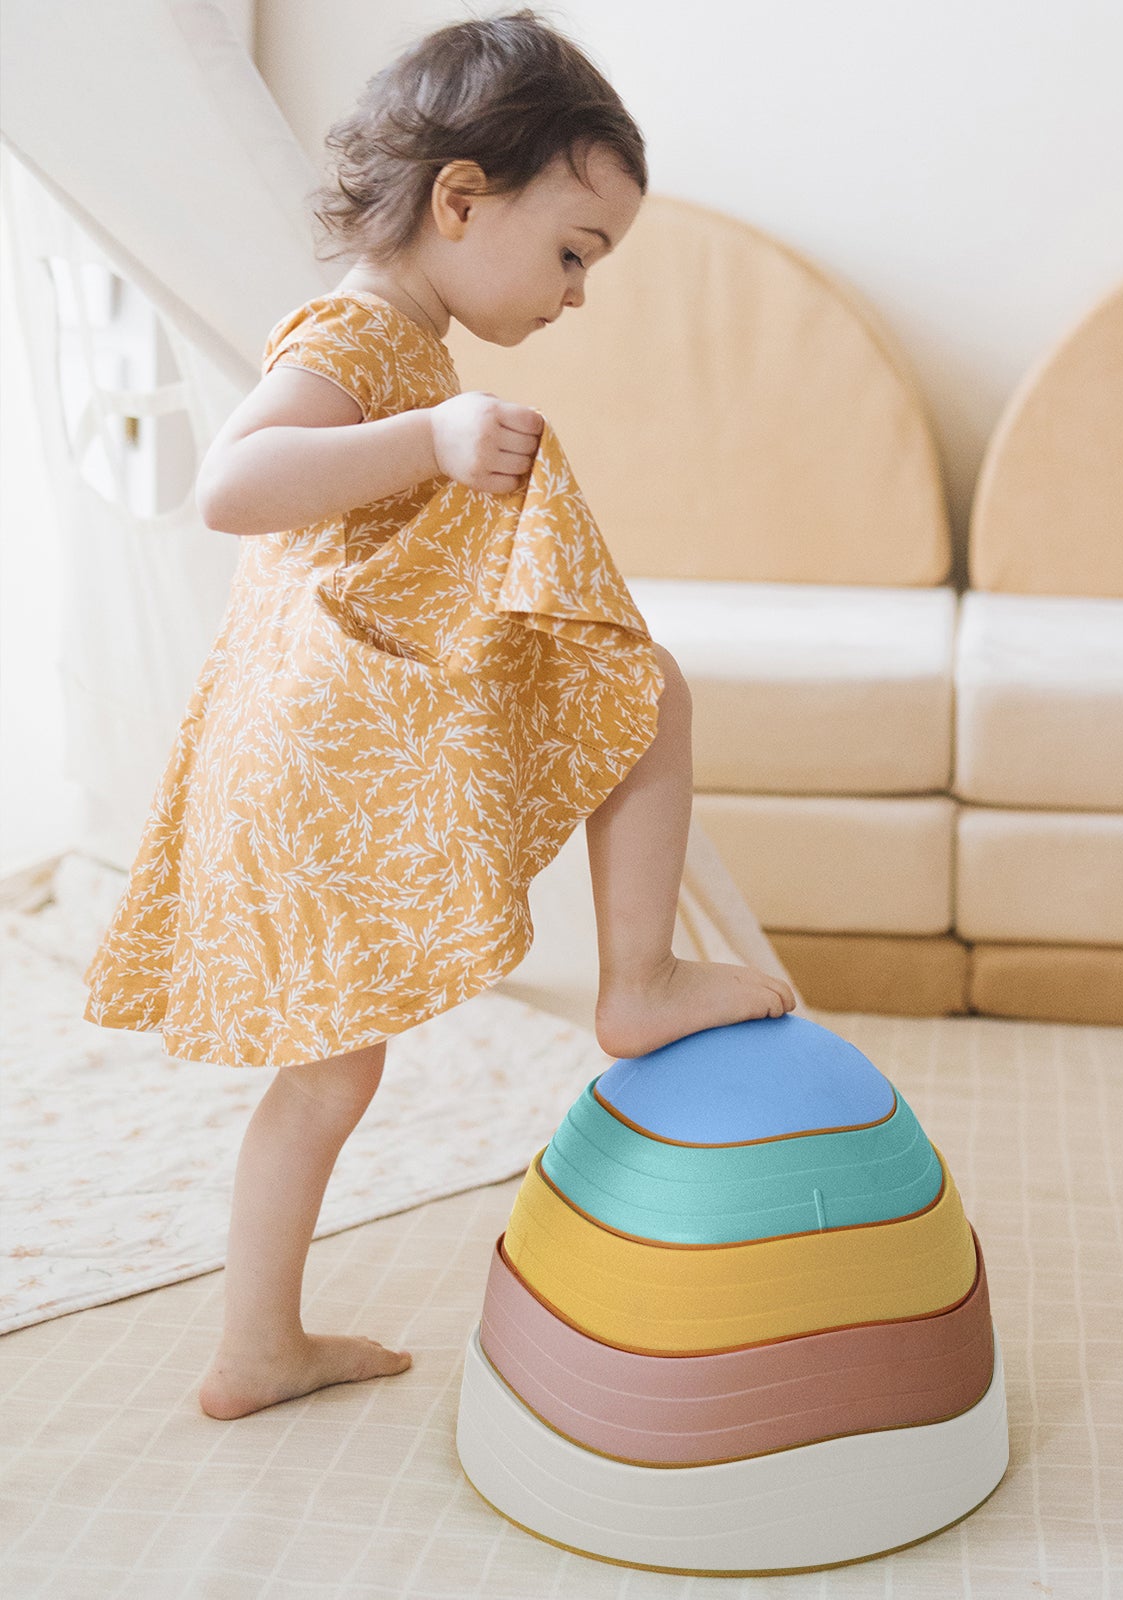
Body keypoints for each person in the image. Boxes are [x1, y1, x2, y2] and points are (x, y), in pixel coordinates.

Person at [76, 8, 796, 1421]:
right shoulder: (357, 330)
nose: (578, 293)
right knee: (639, 691)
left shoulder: (407, 332)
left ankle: (257, 1348)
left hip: (340, 731)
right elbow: (234, 483)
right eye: (574, 253)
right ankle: (637, 984)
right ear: (462, 199)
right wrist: (434, 438)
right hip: (317, 746)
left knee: (329, 1077)